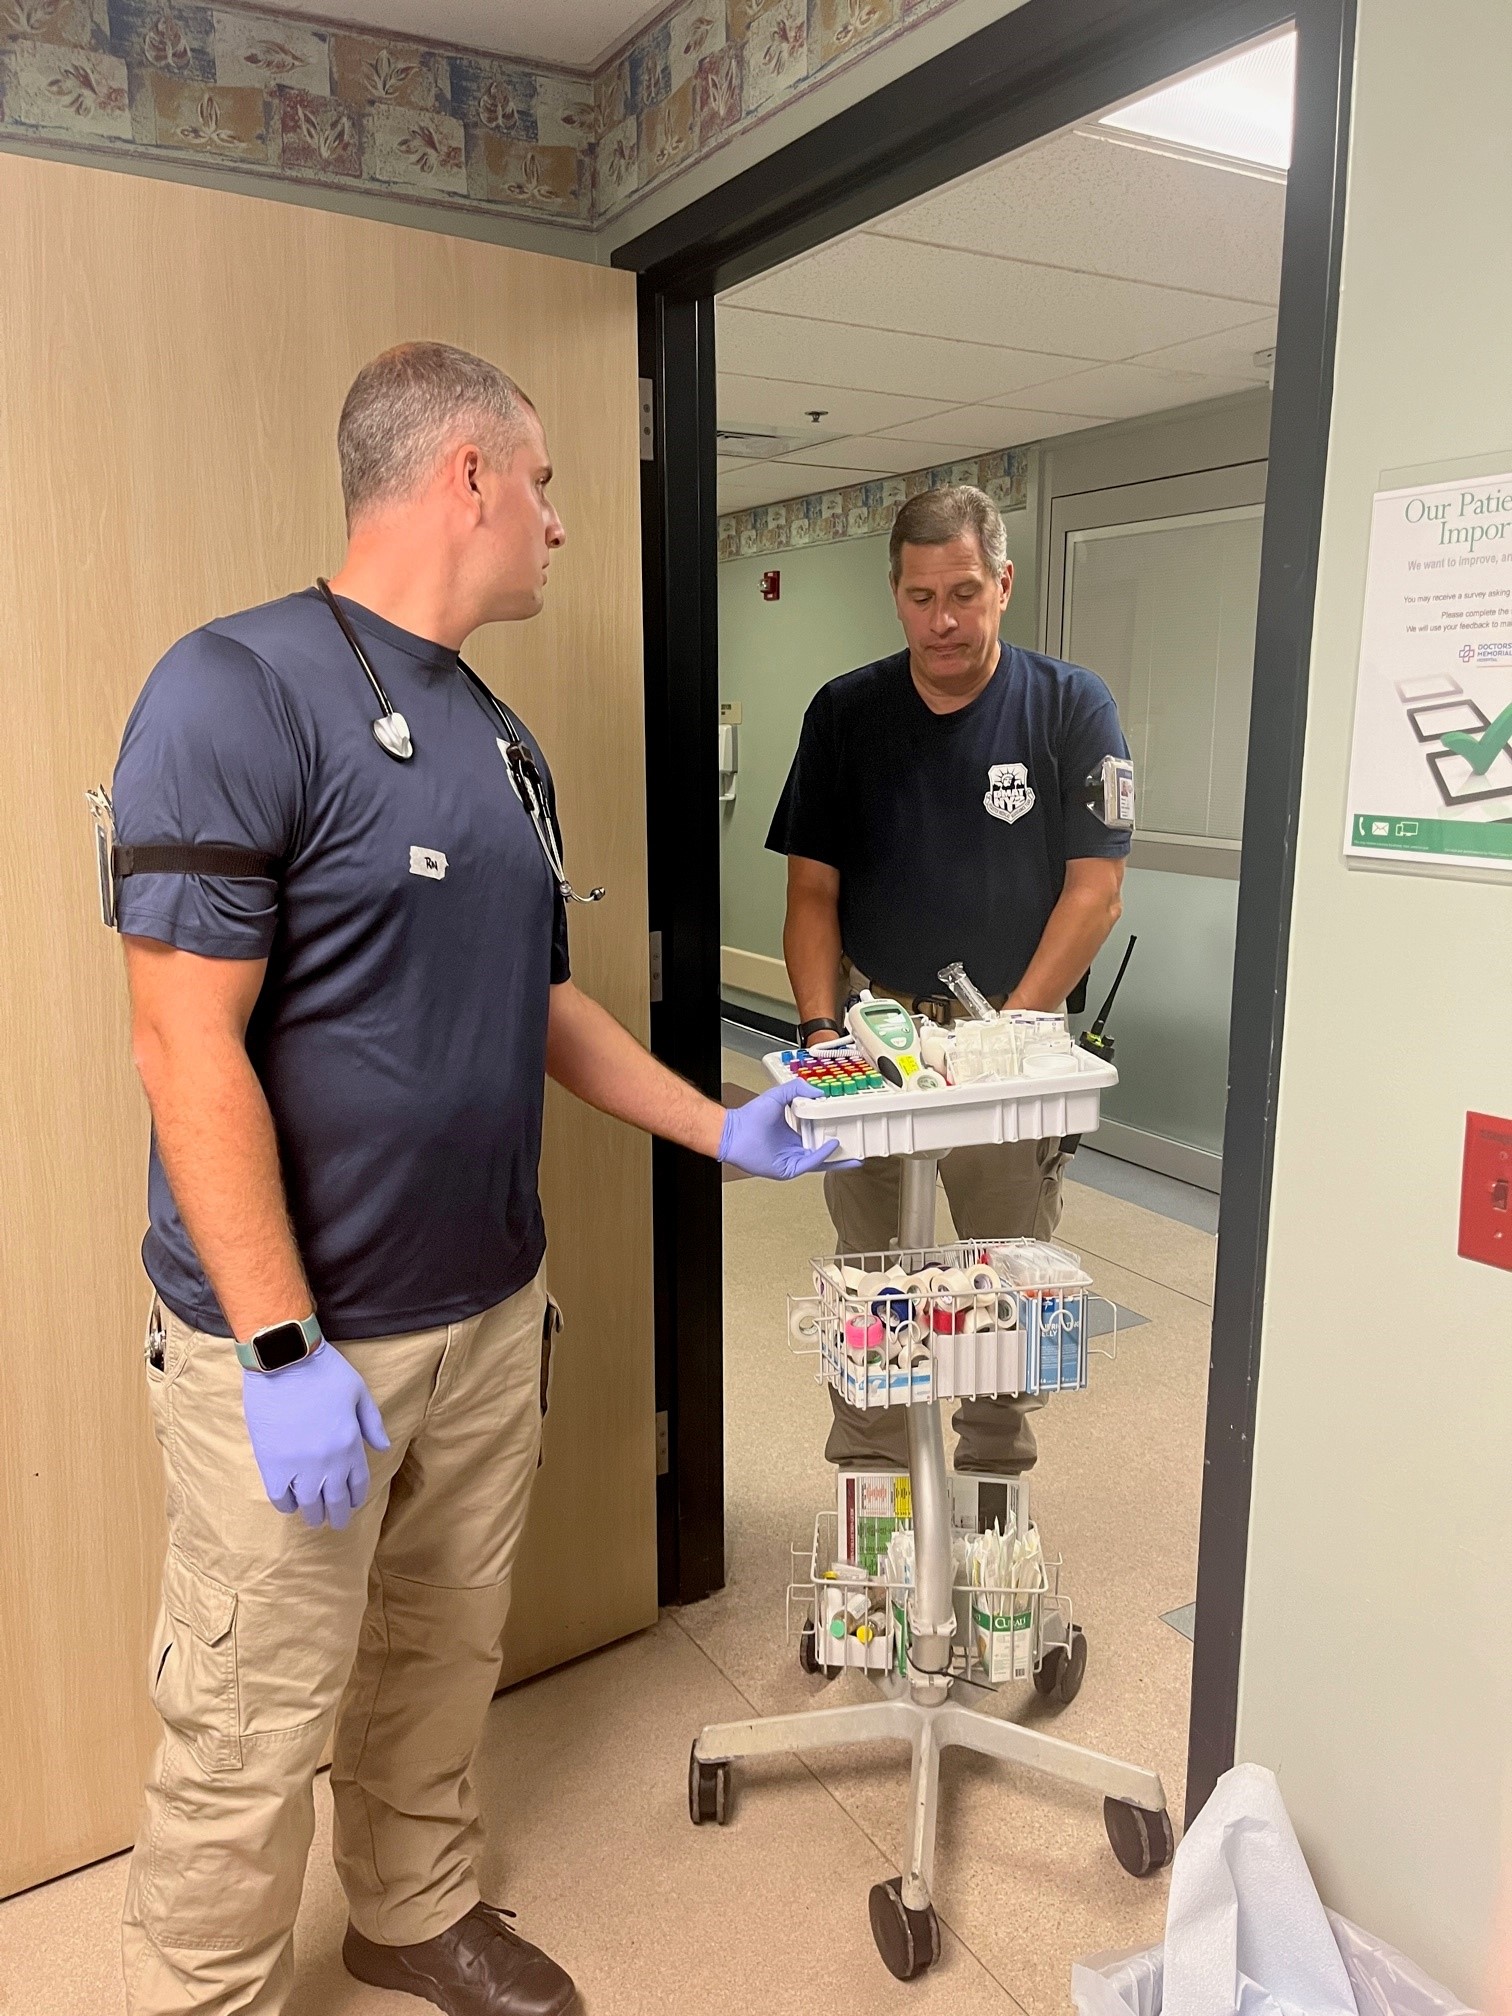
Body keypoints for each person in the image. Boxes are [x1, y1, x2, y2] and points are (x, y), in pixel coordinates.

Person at [111, 342, 843, 2016]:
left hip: (485, 1313)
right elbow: (180, 1047)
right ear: (464, 477)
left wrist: (718, 1124)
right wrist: (283, 1346)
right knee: (247, 1724)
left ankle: (412, 1906)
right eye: (546, 483)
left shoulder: (501, 743)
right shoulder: (234, 688)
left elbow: (537, 1001)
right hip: (298, 1347)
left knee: (438, 1659)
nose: (559, 526)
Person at [766, 483, 1131, 1477]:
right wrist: (814, 1029)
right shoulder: (846, 714)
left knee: (1002, 1281)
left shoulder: (1068, 706)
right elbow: (811, 892)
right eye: (923, 597)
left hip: (1006, 1054)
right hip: (878, 1046)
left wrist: (1003, 1034)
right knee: (873, 1276)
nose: (945, 621)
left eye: (965, 593)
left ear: (1003, 583)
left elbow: (1095, 894)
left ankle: (990, 1478)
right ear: (896, 594)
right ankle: (873, 1487)